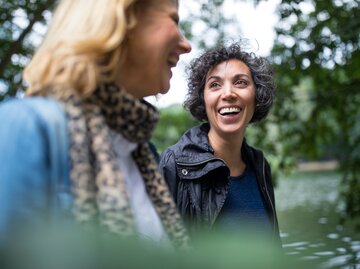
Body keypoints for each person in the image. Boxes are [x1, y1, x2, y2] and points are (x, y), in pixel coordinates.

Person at [0, 0, 192, 248]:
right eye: (174, 20)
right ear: (123, 19)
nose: (186, 45)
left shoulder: (143, 155)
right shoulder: (26, 128)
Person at [159, 42, 281, 244]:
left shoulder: (260, 165)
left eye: (240, 82)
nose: (228, 94)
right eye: (215, 84)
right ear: (203, 100)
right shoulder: (174, 164)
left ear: (256, 96)